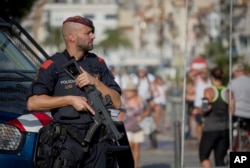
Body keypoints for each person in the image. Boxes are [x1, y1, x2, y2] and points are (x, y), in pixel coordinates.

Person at [27, 16, 122, 168]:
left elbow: (117, 102)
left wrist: (95, 82)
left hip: (98, 143)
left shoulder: (97, 63)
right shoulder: (53, 65)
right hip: (67, 143)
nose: (93, 36)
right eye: (88, 33)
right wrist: (69, 100)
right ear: (72, 37)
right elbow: (33, 103)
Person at [199, 67, 235, 168]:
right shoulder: (229, 92)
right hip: (225, 129)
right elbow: (232, 112)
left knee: (204, 156)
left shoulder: (208, 91)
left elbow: (205, 108)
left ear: (211, 77)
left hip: (210, 129)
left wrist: (199, 110)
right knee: (220, 160)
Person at [117, 81, 151, 168]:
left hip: (138, 127)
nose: (127, 92)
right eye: (127, 90)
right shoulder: (123, 100)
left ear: (134, 91)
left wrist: (142, 116)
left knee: (137, 147)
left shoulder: (140, 100)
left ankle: (135, 165)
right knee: (129, 147)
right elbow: (120, 113)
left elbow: (148, 110)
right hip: (126, 127)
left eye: (130, 90)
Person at [188, 67, 211, 141]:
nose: (204, 74)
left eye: (206, 73)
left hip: (207, 103)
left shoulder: (210, 81)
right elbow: (190, 75)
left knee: (206, 122)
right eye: (203, 73)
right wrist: (200, 70)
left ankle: (205, 138)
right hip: (199, 104)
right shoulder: (198, 80)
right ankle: (200, 139)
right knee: (199, 122)